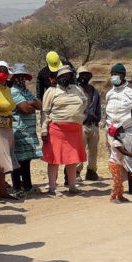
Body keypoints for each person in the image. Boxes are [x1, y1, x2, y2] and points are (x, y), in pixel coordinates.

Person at [41, 65, 88, 195]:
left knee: (72, 159)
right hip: (56, 129)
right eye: (62, 76)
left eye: (67, 76)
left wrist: (76, 115)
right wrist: (44, 130)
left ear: (71, 77)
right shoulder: (51, 91)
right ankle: (52, 187)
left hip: (74, 130)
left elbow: (84, 103)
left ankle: (72, 187)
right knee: (53, 159)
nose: (65, 78)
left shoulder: (77, 90)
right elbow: (45, 112)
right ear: (57, 78)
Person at [105, 63, 132, 195]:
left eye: (116, 74)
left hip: (128, 131)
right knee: (115, 159)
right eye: (112, 74)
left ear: (123, 75)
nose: (114, 77)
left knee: (130, 159)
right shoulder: (110, 93)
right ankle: (118, 187)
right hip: (111, 131)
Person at [0, 61, 19, 200]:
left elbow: (10, 105)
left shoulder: (7, 89)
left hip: (7, 126)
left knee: (5, 161)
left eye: (6, 73)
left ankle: (3, 191)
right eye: (2, 73)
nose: (4, 76)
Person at [10, 63, 43, 194]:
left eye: (23, 76)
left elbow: (40, 105)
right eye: (18, 76)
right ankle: (17, 186)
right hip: (18, 130)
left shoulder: (26, 91)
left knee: (26, 160)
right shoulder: (14, 91)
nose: (21, 79)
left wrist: (31, 103)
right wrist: (31, 104)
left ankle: (27, 185)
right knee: (18, 160)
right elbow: (25, 109)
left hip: (28, 130)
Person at [76, 66, 102, 181]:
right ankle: (76, 172)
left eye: (86, 75)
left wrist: (98, 119)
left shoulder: (94, 90)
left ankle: (91, 171)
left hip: (93, 124)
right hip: (81, 125)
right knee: (79, 149)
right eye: (82, 75)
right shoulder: (75, 91)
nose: (84, 78)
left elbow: (98, 106)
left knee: (93, 150)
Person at [106, 123, 132, 203]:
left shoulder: (120, 141)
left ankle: (120, 196)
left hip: (118, 164)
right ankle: (113, 197)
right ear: (117, 133)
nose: (123, 131)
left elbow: (125, 151)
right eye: (122, 130)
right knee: (117, 181)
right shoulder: (116, 143)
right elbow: (124, 152)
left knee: (120, 180)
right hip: (114, 164)